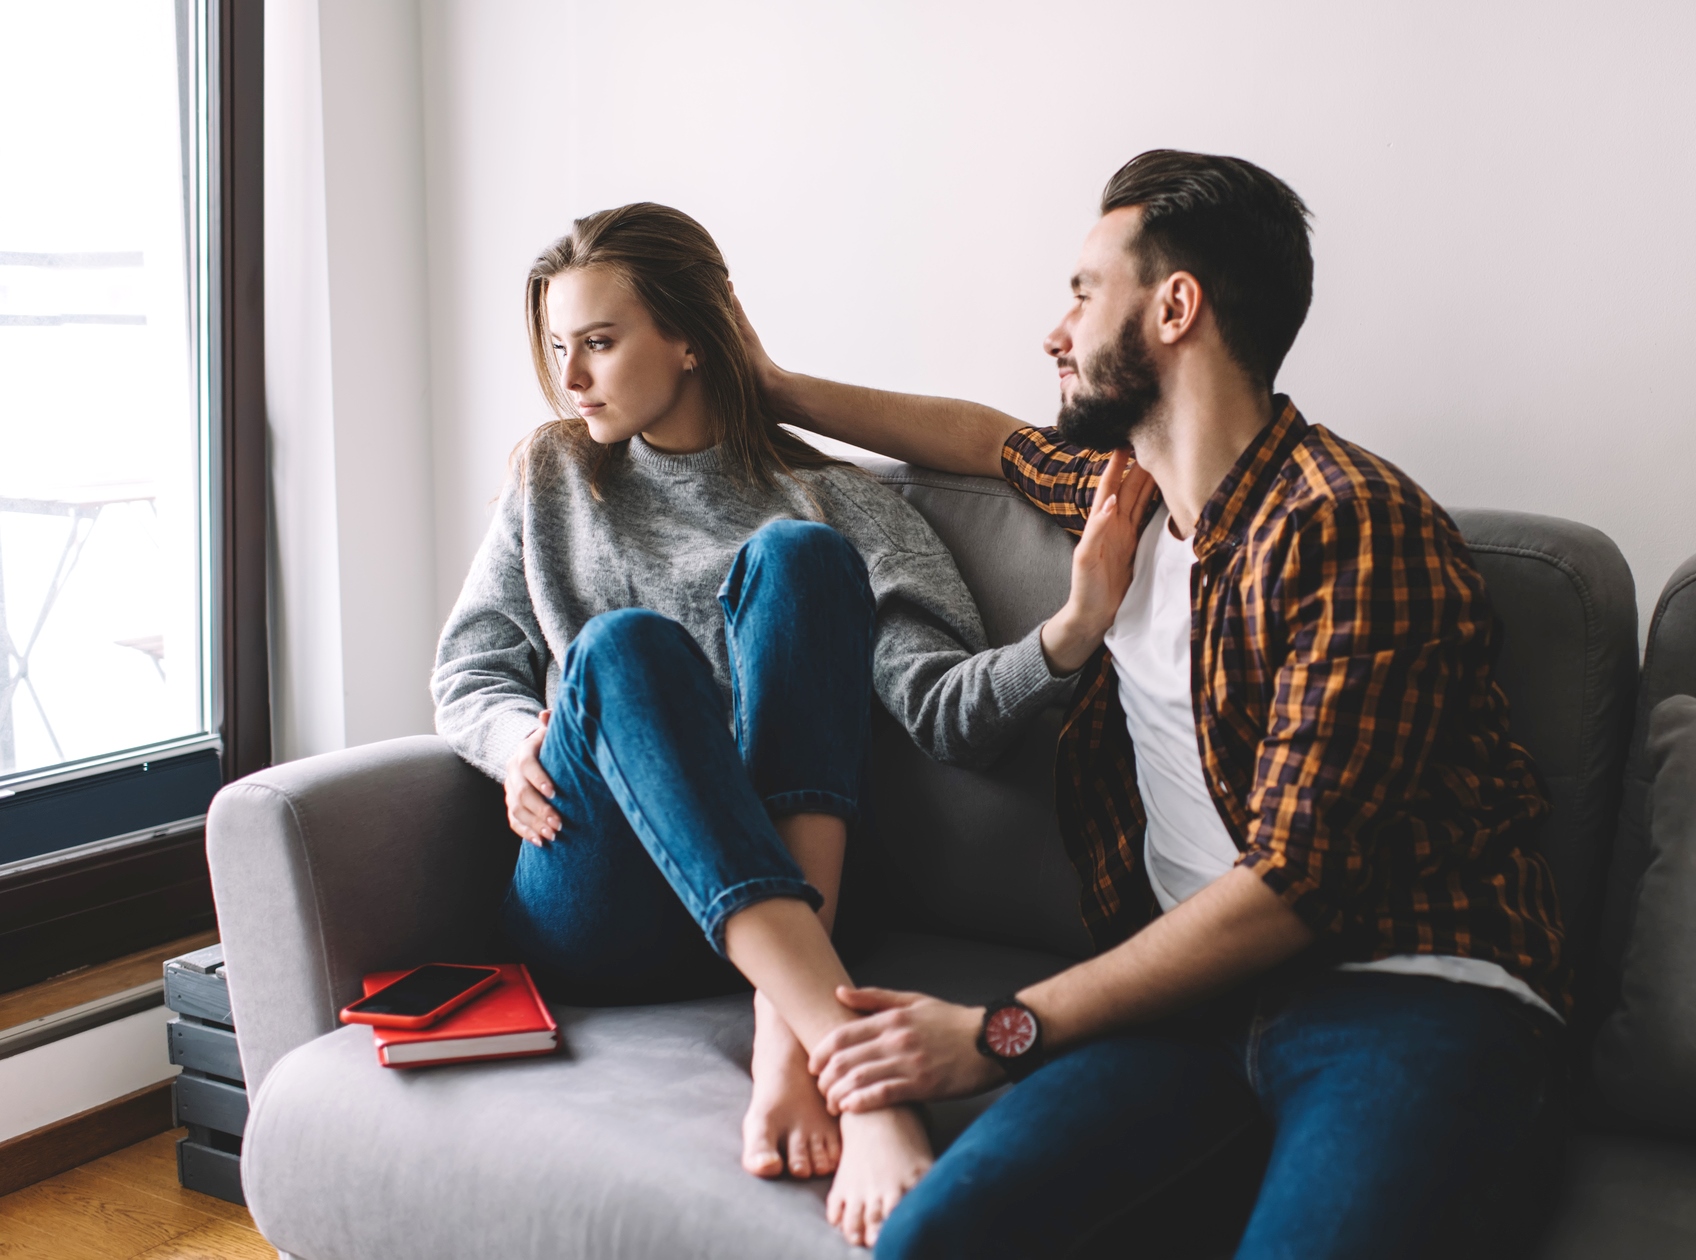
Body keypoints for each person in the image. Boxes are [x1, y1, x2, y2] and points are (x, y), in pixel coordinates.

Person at [741, 150, 1570, 1257]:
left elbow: (1294, 887)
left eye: (1082, 292)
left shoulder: (1346, 524)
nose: (1054, 331)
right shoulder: (1122, 495)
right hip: (1185, 1011)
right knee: (930, 1243)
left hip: (1401, 993)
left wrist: (999, 1031)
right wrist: (770, 388)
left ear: (1174, 308)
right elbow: (988, 440)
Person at [429, 202, 1081, 1247]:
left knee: (799, 558)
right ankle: (859, 1080)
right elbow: (470, 667)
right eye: (557, 348)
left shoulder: (835, 504)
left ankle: (789, 1018)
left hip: (776, 900)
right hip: (598, 897)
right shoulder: (548, 474)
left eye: (599, 343)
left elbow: (944, 716)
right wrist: (512, 742)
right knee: (620, 648)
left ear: (691, 338)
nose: (571, 378)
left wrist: (1067, 633)